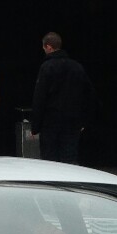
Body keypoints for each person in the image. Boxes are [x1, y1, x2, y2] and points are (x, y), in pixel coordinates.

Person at [31, 31, 93, 164]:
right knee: (69, 158)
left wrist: (35, 125)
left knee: (50, 160)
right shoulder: (77, 67)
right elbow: (88, 95)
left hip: (50, 122)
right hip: (72, 121)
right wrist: (83, 120)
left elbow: (39, 97)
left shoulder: (46, 67)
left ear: (48, 47)